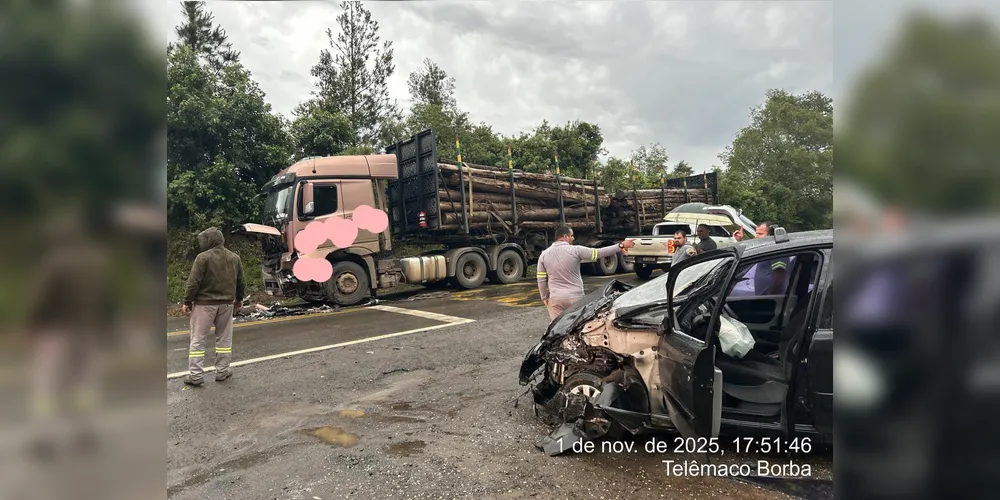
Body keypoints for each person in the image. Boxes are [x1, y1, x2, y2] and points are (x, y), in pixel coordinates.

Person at [182, 227, 245, 386]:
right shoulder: (234, 258)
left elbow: (193, 282)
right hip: (226, 304)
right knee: (224, 338)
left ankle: (196, 375)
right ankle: (222, 371)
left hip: (204, 305)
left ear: (208, 241)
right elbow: (241, 282)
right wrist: (239, 299)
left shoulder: (202, 258)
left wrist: (187, 301)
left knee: (198, 339)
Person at [536, 225, 635, 319]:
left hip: (556, 299)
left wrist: (544, 297)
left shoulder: (544, 255)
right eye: (571, 236)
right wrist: (620, 245)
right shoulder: (576, 250)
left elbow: (541, 279)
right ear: (565, 237)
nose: (573, 238)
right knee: (577, 326)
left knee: (557, 327)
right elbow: (599, 253)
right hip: (576, 298)